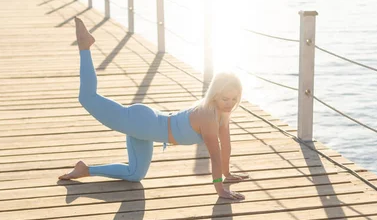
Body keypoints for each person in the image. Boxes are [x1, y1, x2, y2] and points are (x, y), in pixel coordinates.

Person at [59, 18, 249, 200]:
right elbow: (214, 155)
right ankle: (85, 46)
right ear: (215, 94)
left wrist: (227, 173)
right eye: (225, 98)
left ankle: (85, 170)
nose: (229, 103)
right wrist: (220, 188)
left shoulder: (223, 113)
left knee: (135, 174)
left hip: (147, 130)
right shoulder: (208, 115)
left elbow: (226, 145)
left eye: (234, 99)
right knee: (87, 98)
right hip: (143, 122)